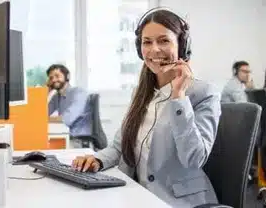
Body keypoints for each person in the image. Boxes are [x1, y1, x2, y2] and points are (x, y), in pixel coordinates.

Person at [71, 8, 221, 207]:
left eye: (164, 40)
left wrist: (179, 98)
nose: (154, 49)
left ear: (182, 45)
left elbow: (193, 159)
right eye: (147, 42)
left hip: (178, 201)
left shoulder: (204, 93)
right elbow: (119, 146)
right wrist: (96, 160)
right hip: (136, 195)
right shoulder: (141, 92)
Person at [46, 64, 93, 147]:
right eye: (51, 78)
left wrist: (44, 119)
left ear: (67, 76)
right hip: (67, 137)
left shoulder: (79, 93)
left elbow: (66, 119)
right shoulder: (57, 97)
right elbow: (43, 113)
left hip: (78, 141)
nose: (53, 80)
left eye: (57, 76)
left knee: (47, 150)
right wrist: (47, 90)